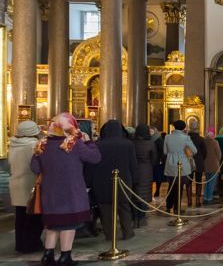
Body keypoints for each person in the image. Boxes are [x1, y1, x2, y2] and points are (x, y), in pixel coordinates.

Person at [31, 113, 101, 266]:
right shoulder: (74, 143)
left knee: (53, 224)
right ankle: (65, 257)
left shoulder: (42, 143)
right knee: (68, 224)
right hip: (71, 190)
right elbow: (95, 158)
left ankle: (47, 256)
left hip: (49, 192)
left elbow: (35, 167)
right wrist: (89, 142)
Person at [87, 120, 138, 241]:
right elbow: (133, 164)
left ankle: (110, 235)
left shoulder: (98, 144)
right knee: (124, 208)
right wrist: (136, 180)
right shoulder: (128, 144)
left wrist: (89, 183)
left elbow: (92, 166)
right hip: (123, 180)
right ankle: (128, 233)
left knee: (106, 211)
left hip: (102, 182)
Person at [9, 120, 43, 253]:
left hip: (16, 182)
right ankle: (31, 244)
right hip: (30, 183)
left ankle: (20, 244)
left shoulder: (13, 144)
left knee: (20, 217)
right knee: (33, 217)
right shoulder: (34, 145)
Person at [164, 120, 197, 214]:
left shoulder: (167, 137)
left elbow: (165, 151)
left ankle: (168, 206)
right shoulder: (185, 137)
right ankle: (176, 208)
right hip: (182, 163)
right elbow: (194, 151)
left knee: (171, 186)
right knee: (179, 186)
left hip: (170, 163)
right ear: (183, 128)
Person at [132, 124, 157, 227]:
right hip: (146, 170)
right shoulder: (151, 143)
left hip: (134, 170)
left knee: (134, 193)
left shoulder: (132, 143)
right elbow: (154, 159)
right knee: (144, 195)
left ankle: (135, 218)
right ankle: (142, 217)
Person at [187, 121, 207, 207]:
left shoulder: (186, 138)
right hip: (199, 162)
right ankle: (198, 200)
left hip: (188, 162)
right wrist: (201, 159)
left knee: (189, 181)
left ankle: (189, 200)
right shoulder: (201, 139)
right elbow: (205, 152)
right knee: (199, 181)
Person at [203, 130, 221, 203]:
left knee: (207, 182)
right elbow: (219, 154)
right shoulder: (215, 142)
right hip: (214, 165)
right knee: (211, 182)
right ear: (212, 136)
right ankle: (209, 198)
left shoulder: (204, 142)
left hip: (205, 165)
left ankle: (205, 197)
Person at [152, 131, 166, 198]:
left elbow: (162, 150)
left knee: (158, 177)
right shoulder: (148, 139)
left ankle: (157, 190)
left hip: (158, 161)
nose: (150, 133)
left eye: (152, 131)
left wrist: (160, 158)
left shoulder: (159, 139)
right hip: (152, 161)